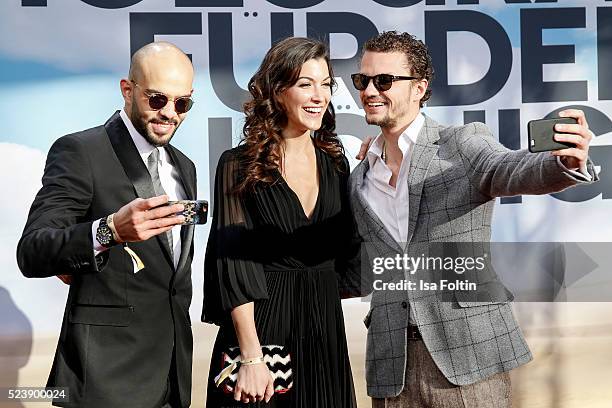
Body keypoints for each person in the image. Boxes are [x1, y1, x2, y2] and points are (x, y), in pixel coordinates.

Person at [348, 31, 598, 408]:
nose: (369, 90)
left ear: (419, 87)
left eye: (383, 80)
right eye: (361, 80)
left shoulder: (461, 144)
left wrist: (564, 163)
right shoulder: (360, 176)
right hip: (392, 363)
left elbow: (510, 168)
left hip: (467, 352)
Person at [17, 42, 197, 408]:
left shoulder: (185, 166)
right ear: (127, 89)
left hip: (170, 379)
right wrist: (108, 231)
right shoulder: (81, 151)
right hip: (103, 381)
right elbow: (33, 250)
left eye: (182, 104)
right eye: (157, 99)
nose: (170, 114)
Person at [202, 37, 359, 407]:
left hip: (324, 332)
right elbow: (233, 264)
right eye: (306, 84)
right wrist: (251, 357)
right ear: (278, 91)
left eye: (326, 85)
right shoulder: (238, 166)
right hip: (261, 331)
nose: (319, 95)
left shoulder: (337, 165)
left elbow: (352, 259)